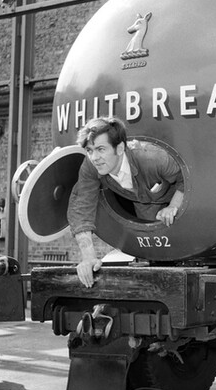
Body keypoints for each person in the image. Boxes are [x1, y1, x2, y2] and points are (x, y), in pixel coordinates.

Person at [67, 117, 185, 287]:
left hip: (177, 197)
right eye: (89, 150)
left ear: (120, 148)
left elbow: (186, 178)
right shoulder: (91, 166)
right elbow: (82, 206)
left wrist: (174, 206)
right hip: (144, 206)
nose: (95, 158)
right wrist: (88, 257)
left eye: (101, 149)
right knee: (155, 256)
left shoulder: (152, 158)